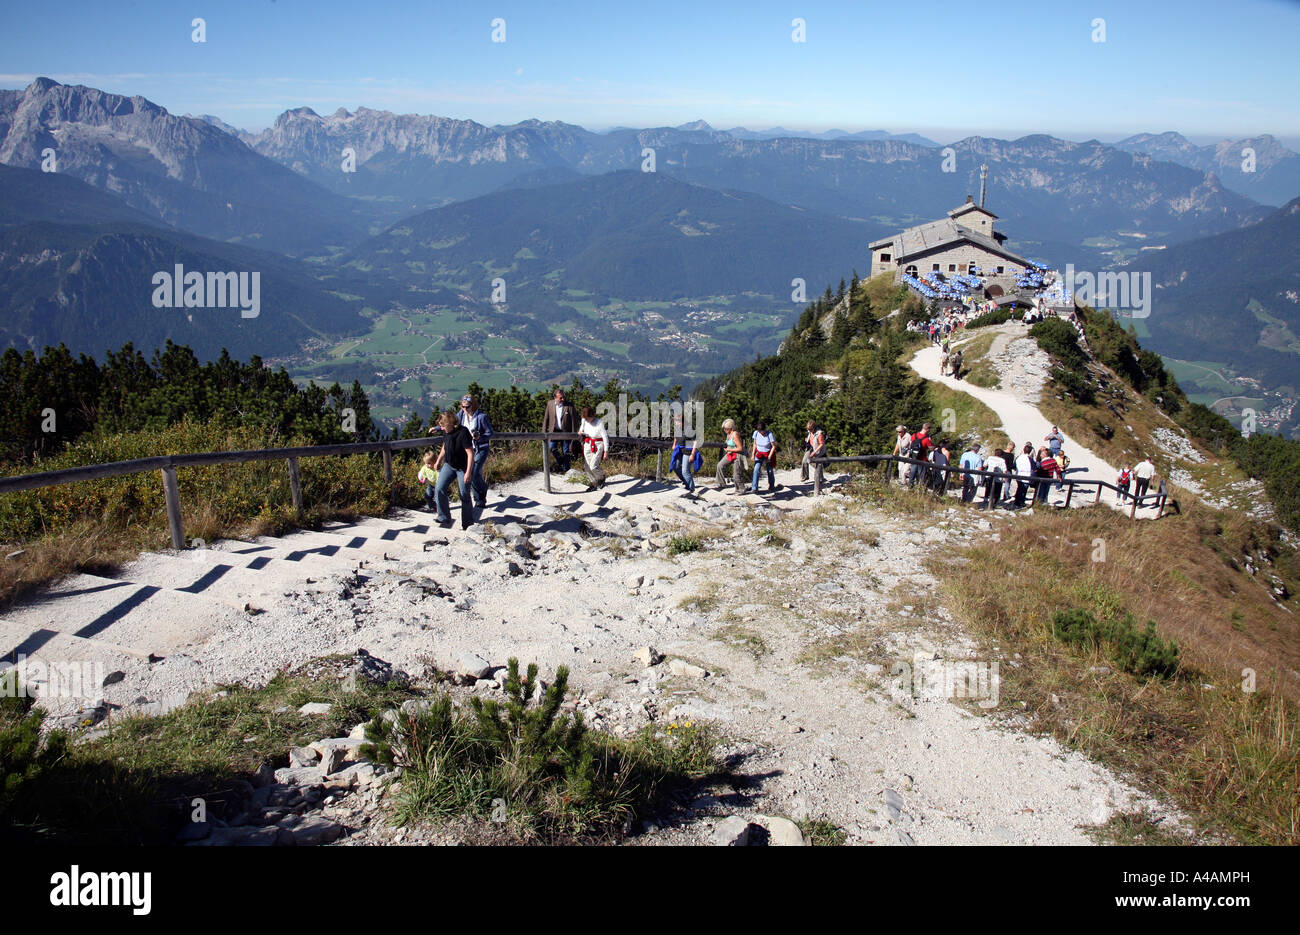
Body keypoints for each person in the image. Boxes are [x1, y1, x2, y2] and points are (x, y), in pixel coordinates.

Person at [431, 410, 475, 529]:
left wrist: (468, 473)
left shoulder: (463, 433)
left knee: (464, 494)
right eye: (441, 426)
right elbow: (445, 446)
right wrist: (439, 460)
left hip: (463, 467)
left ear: (451, 423)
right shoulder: (446, 431)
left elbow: (470, 453)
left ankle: (468, 523)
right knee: (439, 488)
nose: (442, 428)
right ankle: (443, 516)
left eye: (443, 425)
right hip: (449, 464)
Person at [458, 394, 492, 514]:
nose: (465, 409)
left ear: (473, 406)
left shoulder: (481, 417)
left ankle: (480, 498)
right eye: (463, 407)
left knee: (473, 472)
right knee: (473, 473)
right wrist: (438, 427)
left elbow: (490, 433)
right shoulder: (461, 415)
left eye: (467, 407)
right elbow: (451, 423)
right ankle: (481, 496)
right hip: (468, 450)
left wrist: (479, 437)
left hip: (480, 449)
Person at [542, 388, 578, 473]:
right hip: (554, 431)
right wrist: (543, 432)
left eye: (563, 397)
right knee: (551, 447)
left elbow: (574, 420)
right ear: (555, 397)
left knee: (566, 450)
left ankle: (566, 470)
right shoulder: (550, 404)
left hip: (566, 432)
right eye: (560, 398)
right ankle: (561, 461)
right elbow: (546, 418)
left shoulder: (569, 405)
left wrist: (574, 435)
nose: (563, 399)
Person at [578, 405, 609, 490]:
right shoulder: (584, 420)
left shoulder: (599, 423)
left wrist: (606, 451)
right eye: (585, 418)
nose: (587, 420)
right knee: (587, 467)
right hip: (588, 443)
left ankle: (601, 477)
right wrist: (581, 431)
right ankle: (593, 483)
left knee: (593, 466)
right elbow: (582, 428)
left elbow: (605, 437)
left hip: (598, 445)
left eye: (588, 418)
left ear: (592, 416)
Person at [669, 415, 702, 495]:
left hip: (688, 450)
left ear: (682, 422)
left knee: (685, 471)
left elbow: (695, 442)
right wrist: (674, 444)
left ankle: (691, 488)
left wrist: (692, 454)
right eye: (675, 422)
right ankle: (686, 481)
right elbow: (676, 437)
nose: (676, 424)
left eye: (677, 422)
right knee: (676, 467)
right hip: (680, 450)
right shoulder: (678, 427)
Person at [715, 419, 747, 492]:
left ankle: (740, 489)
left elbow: (740, 448)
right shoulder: (728, 434)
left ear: (731, 428)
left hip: (737, 455)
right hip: (730, 453)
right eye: (724, 429)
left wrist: (730, 450)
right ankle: (721, 483)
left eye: (726, 429)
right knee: (720, 465)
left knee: (736, 474)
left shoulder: (735, 434)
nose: (724, 430)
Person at [750, 420, 780, 493]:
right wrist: (753, 454)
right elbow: (755, 444)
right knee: (756, 469)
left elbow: (773, 446)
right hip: (759, 453)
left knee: (769, 470)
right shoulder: (756, 433)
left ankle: (771, 486)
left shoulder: (769, 434)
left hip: (768, 453)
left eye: (762, 431)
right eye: (760, 431)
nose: (761, 433)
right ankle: (754, 488)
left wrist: (769, 456)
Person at [801, 420, 827, 487]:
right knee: (804, 461)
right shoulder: (810, 432)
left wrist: (814, 452)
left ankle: (821, 478)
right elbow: (810, 439)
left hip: (819, 450)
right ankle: (805, 476)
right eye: (808, 429)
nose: (809, 430)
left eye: (810, 429)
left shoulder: (819, 433)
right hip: (811, 447)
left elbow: (821, 444)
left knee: (818, 464)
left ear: (814, 427)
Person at [1013, 443, 1034, 508]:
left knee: (1019, 488)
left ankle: (1016, 501)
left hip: (1018, 474)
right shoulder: (1030, 458)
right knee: (1023, 490)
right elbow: (1034, 467)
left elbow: (1014, 466)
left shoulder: (1018, 457)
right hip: (1026, 475)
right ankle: (1021, 502)